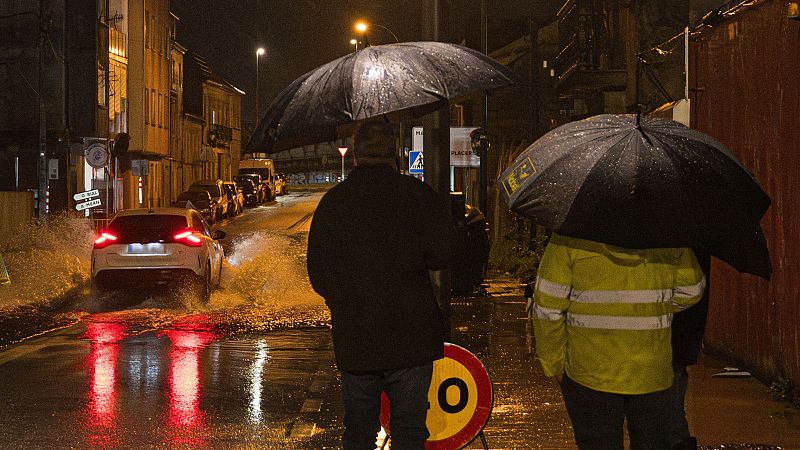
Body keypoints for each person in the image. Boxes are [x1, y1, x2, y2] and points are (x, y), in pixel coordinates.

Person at [306, 120, 453, 449]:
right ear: (394, 152)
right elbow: (443, 254)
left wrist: (344, 301)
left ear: (356, 153)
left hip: (357, 336)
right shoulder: (417, 197)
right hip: (412, 336)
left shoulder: (335, 203)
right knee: (410, 430)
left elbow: (318, 272)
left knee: (359, 431)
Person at [531, 233, 706, 449]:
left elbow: (547, 307)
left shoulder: (568, 237)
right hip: (651, 371)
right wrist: (650, 308)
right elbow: (692, 289)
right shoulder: (667, 234)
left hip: (588, 371)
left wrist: (553, 360)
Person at [667, 250, 711, 450]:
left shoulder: (680, 245)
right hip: (679, 334)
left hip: (671, 335)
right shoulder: (693, 237)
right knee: (673, 415)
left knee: (668, 417)